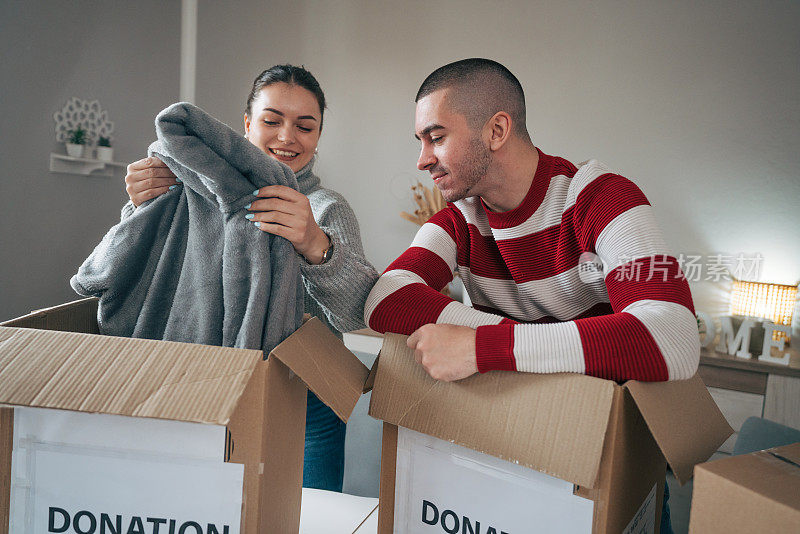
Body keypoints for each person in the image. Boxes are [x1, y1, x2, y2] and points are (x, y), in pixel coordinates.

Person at [364, 58, 698, 533]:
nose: (421, 160)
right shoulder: (460, 217)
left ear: (497, 129)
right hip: (520, 441)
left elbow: (673, 336)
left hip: (607, 449)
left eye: (436, 137)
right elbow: (386, 299)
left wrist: (481, 348)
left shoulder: (603, 197)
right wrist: (515, 343)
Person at [125, 65, 379, 492]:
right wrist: (139, 208)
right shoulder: (194, 195)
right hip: (206, 387)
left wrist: (315, 243)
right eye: (271, 120)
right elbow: (147, 275)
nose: (286, 137)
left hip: (305, 402)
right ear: (246, 124)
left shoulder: (324, 207)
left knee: (305, 518)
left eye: (305, 126)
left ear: (318, 136)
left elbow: (359, 313)